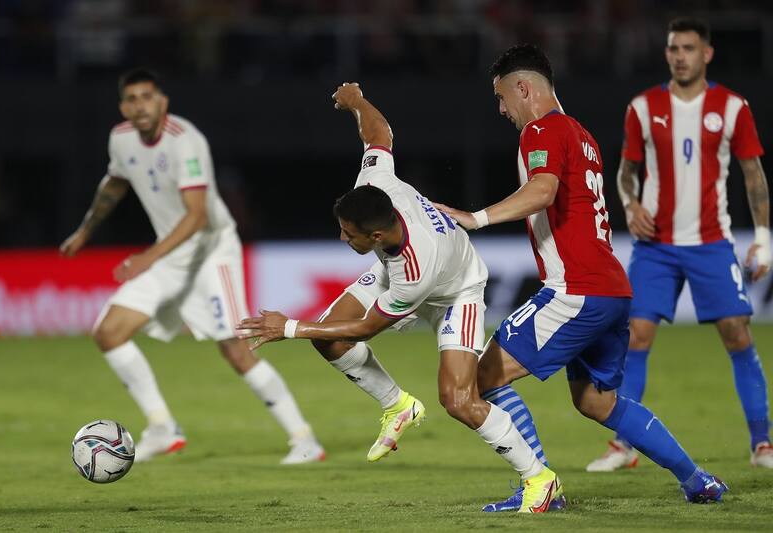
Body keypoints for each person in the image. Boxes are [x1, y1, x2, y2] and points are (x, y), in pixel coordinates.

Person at [237, 81, 563, 513]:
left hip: (455, 291)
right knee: (327, 339)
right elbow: (380, 135)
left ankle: (539, 478)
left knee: (459, 400)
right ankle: (398, 405)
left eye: (348, 234)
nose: (341, 238)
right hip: (398, 273)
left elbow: (366, 328)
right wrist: (357, 102)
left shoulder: (414, 268)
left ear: (374, 235)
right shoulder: (376, 183)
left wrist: (290, 327)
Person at [434, 44, 728, 509]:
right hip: (611, 290)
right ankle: (697, 480)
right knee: (596, 401)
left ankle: (540, 485)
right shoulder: (580, 133)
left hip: (575, 290)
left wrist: (477, 218)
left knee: (481, 378)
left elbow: (542, 190)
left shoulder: (541, 130)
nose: (501, 109)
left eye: (501, 98)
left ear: (523, 88)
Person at [60, 68, 324, 464]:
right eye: (132, 99)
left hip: (211, 252)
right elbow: (114, 182)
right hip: (170, 255)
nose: (140, 105)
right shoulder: (121, 138)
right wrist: (86, 230)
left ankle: (304, 439)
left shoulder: (185, 141)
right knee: (109, 332)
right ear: (123, 107)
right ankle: (162, 427)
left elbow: (197, 216)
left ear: (162, 101)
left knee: (236, 350)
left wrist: (148, 257)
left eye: (147, 96)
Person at [587, 17, 773, 472]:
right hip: (656, 247)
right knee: (635, 336)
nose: (680, 56)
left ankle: (762, 444)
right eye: (673, 48)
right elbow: (626, 172)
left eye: (689, 48)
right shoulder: (642, 107)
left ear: (706, 54)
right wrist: (631, 205)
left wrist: (763, 238)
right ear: (667, 53)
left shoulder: (732, 107)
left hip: (711, 243)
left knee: (737, 333)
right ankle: (623, 445)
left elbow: (753, 175)